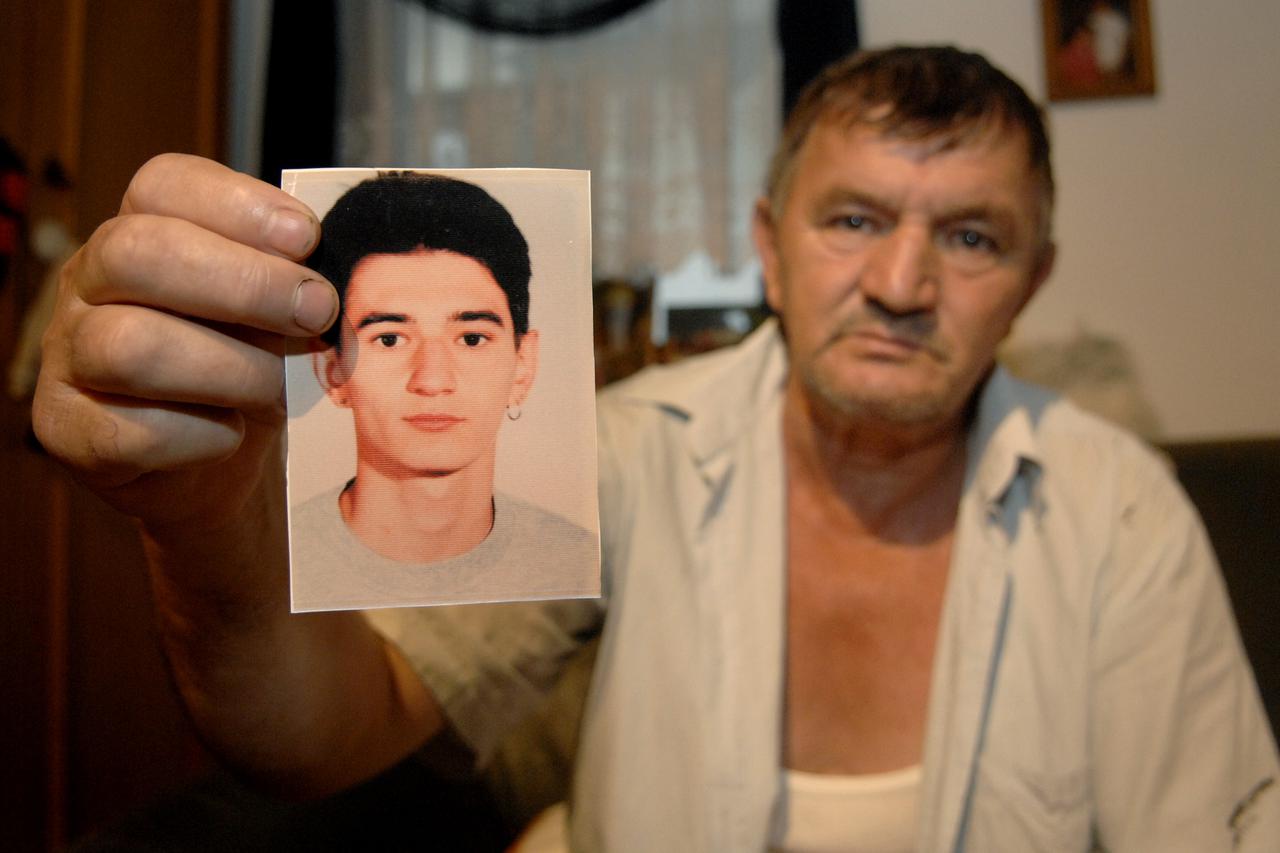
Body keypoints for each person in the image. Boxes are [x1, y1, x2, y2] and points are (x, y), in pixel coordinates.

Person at [31, 45, 1278, 851]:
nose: (901, 284)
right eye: (852, 219)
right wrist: (206, 518)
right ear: (767, 247)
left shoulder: (1119, 510)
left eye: (970, 238)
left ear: (1032, 280)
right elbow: (314, 735)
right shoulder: (622, 457)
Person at [288, 172, 597, 611]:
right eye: (390, 339)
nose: (432, 380)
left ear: (522, 365)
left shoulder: (579, 565)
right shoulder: (277, 563)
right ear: (331, 370)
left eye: (471, 339)